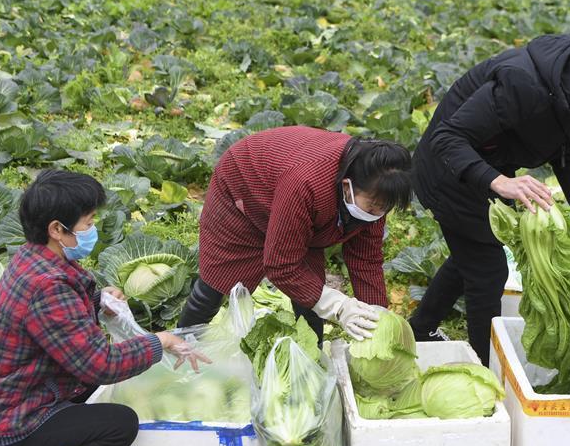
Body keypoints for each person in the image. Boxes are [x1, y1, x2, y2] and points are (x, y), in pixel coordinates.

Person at [0, 170, 208, 446]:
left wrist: (99, 300)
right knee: (119, 424)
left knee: (102, 391)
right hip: (2, 428)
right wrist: (160, 341)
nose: (92, 229)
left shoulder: (33, 259)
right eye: (88, 223)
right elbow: (101, 364)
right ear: (57, 229)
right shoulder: (48, 287)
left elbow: (58, 321)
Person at [409, 34, 570, 364]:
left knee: (474, 251)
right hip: (448, 166)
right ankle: (486, 367)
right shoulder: (523, 84)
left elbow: (567, 151)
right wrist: (500, 182)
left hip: (487, 167)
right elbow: (447, 137)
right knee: (488, 271)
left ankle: (421, 328)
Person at [177, 125, 412, 342]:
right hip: (244, 188)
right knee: (218, 280)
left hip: (293, 199)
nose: (377, 214)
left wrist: (377, 318)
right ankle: (181, 343)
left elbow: (366, 260)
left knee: (310, 284)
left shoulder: (375, 191)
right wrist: (339, 306)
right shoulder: (307, 182)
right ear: (346, 186)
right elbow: (281, 266)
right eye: (372, 207)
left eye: (384, 209)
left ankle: (313, 355)